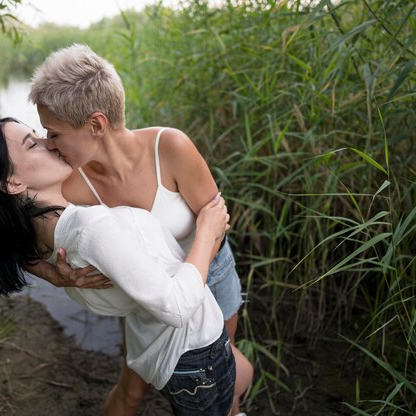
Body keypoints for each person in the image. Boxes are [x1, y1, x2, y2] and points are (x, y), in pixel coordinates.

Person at [27, 43, 253, 415]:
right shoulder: (73, 185)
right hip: (146, 292)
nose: (48, 145)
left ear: (96, 124)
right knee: (132, 389)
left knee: (221, 377)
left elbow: (216, 224)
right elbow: (13, 242)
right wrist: (54, 274)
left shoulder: (171, 148)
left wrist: (188, 288)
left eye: (55, 134)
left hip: (212, 277)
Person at [0, 118, 236, 415]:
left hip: (160, 350)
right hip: (192, 352)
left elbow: (5, 240)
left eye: (42, 134)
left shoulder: (42, 235)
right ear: (13, 184)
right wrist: (207, 229)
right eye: (32, 143)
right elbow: (177, 307)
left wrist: (51, 274)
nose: (48, 142)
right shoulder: (90, 228)